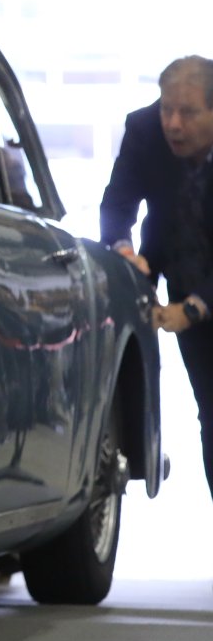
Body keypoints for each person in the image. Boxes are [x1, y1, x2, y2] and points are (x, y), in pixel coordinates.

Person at [101, 54, 213, 508]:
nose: (174, 124)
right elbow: (117, 204)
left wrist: (196, 307)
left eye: (188, 112)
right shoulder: (145, 130)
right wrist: (124, 250)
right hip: (183, 278)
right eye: (167, 109)